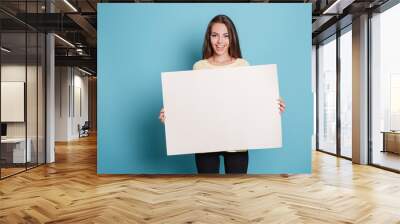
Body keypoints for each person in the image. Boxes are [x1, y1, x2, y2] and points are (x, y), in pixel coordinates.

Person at [159, 15, 285, 174]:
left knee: (236, 193)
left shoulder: (243, 65)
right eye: (215, 35)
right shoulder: (199, 67)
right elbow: (193, 105)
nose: (220, 41)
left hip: (238, 141)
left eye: (226, 36)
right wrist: (172, 117)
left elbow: (250, 102)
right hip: (205, 141)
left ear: (232, 38)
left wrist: (271, 105)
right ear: (208, 38)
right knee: (209, 193)